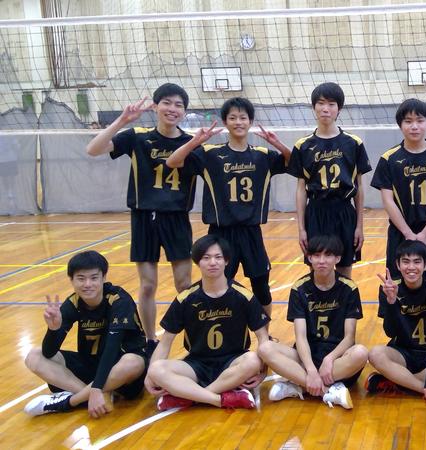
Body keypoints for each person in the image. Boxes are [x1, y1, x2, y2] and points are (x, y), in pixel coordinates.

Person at [86, 83, 195, 353]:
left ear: (184, 111)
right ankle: (150, 340)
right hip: (144, 218)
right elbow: (93, 149)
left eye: (178, 105)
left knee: (184, 284)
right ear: (155, 106)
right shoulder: (137, 137)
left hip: (177, 218)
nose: (172, 109)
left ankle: (194, 337)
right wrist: (122, 120)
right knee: (147, 285)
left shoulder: (191, 143)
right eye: (166, 103)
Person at [166, 97, 290, 320]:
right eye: (232, 118)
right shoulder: (209, 154)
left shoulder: (263, 156)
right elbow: (172, 162)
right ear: (225, 122)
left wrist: (278, 144)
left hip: (251, 232)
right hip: (220, 233)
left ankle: (265, 335)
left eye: (243, 117)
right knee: (218, 286)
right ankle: (226, 331)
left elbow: (296, 162)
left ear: (250, 121)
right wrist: (195, 142)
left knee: (261, 288)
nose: (238, 122)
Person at [145, 235, 269, 411]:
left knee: (253, 360)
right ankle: (219, 399)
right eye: (206, 258)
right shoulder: (186, 299)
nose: (213, 263)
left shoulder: (243, 296)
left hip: (233, 361)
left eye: (218, 257)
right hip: (196, 364)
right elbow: (165, 343)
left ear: (226, 261)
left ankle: (191, 397)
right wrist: (150, 376)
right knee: (156, 369)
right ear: (197, 262)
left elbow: (263, 338)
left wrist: (263, 370)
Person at [23, 251, 147, 417]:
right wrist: (53, 329)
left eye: (94, 278)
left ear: (103, 278)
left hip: (120, 372)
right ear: (72, 280)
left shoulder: (119, 300)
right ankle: (95, 396)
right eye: (81, 278)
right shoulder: (73, 303)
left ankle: (68, 402)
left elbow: (111, 349)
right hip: (90, 367)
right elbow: (48, 352)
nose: (87, 284)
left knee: (133, 362)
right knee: (34, 356)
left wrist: (96, 387)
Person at [259, 235, 368, 409]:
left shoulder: (349, 288)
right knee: (265, 348)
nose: (322, 261)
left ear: (337, 258)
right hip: (306, 356)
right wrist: (310, 369)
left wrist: (329, 359)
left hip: (337, 358)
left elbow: (349, 338)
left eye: (328, 255)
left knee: (361, 353)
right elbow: (301, 337)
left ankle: (298, 385)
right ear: (309, 258)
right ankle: (328, 391)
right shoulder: (299, 288)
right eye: (316, 256)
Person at [288, 82, 372, 279]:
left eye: (331, 104)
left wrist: (359, 226)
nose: (325, 109)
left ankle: (346, 301)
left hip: (344, 212)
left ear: (339, 109)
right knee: (317, 271)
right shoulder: (303, 146)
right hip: (316, 213)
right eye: (321, 103)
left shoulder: (353, 143)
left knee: (345, 272)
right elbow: (301, 189)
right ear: (313, 107)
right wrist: (301, 229)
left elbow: (359, 187)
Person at [366, 240, 426, 409]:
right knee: (375, 354)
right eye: (405, 261)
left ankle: (396, 381)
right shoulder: (389, 287)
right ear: (398, 265)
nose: (411, 267)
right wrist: (391, 302)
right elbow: (390, 332)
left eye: (417, 262)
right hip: (403, 353)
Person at [370, 98, 426, 280]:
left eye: (420, 120)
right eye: (408, 121)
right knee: (398, 282)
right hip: (400, 231)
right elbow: (388, 200)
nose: (414, 126)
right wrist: (407, 233)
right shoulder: (388, 159)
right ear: (400, 125)